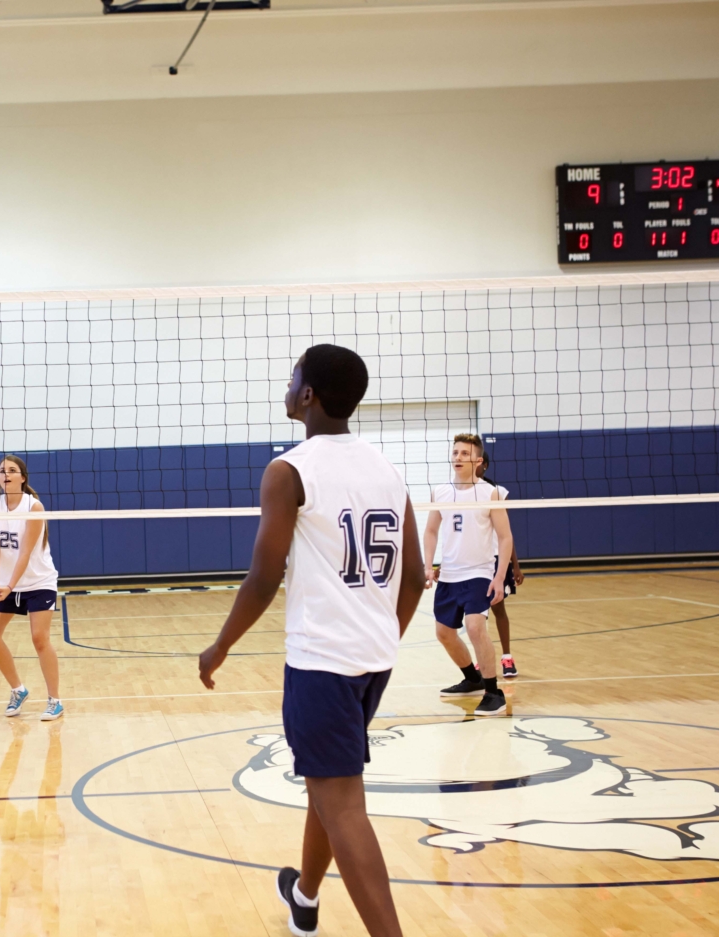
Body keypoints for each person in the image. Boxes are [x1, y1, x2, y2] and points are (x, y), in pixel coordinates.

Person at [199, 344, 425, 937]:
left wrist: (220, 646)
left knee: (344, 804)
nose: (290, 381)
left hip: (322, 663)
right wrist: (383, 636)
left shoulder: (289, 470)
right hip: (373, 661)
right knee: (328, 784)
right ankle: (304, 894)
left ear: (309, 395)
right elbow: (417, 576)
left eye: (295, 374)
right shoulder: (387, 467)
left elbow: (263, 577)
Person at [424, 433, 515, 717]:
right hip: (449, 574)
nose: (458, 458)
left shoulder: (491, 492)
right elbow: (430, 531)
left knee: (475, 627)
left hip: (479, 573)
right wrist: (428, 565)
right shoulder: (440, 491)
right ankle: (472, 679)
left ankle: (493, 691)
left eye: (465, 454)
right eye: (455, 453)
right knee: (444, 633)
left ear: (478, 460)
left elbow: (505, 537)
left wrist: (499, 576)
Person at [0, 455, 65, 721]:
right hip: (6, 583)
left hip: (38, 581)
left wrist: (10, 586)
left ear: (22, 477)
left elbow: (26, 552)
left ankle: (55, 700)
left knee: (39, 638)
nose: (5, 474)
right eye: (2, 471)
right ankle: (18, 690)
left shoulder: (34, 507)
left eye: (12, 470)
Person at [476, 453, 524, 679]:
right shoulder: (457, 493)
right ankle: (482, 660)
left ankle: (507, 657)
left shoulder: (497, 492)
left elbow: (506, 532)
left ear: (484, 464)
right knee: (476, 614)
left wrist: (515, 565)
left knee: (498, 609)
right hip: (473, 560)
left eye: (476, 460)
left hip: (496, 559)